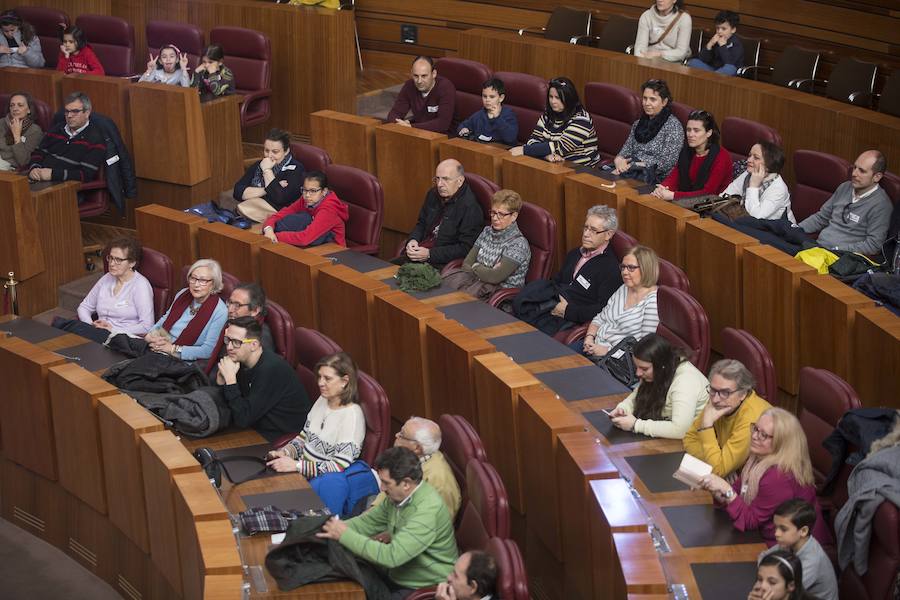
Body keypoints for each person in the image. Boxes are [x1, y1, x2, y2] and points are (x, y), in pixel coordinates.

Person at [316, 447, 458, 596]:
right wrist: (325, 529)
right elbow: (366, 523)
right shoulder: (397, 497)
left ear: (406, 484)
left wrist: (343, 534)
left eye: (386, 483)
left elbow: (391, 557)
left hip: (420, 588)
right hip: (396, 574)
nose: (382, 488)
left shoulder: (427, 511)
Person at [698, 408, 832, 547]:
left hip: (790, 551)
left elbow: (750, 521)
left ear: (781, 443)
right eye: (755, 429)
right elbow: (737, 492)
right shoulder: (757, 460)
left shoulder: (778, 476)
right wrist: (715, 488)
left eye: (763, 435)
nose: (755, 436)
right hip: (762, 535)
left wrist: (726, 490)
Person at [512, 205, 622, 335]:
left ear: (608, 235)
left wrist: (568, 311)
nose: (586, 234)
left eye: (593, 230)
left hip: (570, 319)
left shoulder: (610, 269)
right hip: (550, 305)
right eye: (586, 227)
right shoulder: (575, 253)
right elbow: (557, 281)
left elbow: (603, 309)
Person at [267, 352, 367, 478]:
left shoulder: (352, 416)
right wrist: (286, 452)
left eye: (327, 378)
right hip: (300, 474)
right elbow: (304, 438)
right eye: (319, 377)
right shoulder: (323, 399)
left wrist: (296, 466)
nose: (320, 383)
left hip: (320, 483)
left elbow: (339, 466)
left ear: (344, 381)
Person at [216, 317, 311, 442]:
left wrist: (230, 381)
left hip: (279, 437)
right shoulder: (241, 358)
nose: (229, 347)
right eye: (227, 340)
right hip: (255, 424)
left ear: (254, 345)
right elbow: (236, 403)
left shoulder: (271, 370)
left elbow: (242, 419)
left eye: (236, 342)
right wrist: (222, 378)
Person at [608, 334, 709, 439]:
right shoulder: (661, 369)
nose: (638, 373)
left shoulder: (686, 382)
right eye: (637, 367)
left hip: (700, 440)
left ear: (661, 365)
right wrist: (623, 408)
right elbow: (638, 395)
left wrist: (635, 425)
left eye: (644, 369)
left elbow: (680, 430)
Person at [683, 359, 772, 477]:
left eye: (725, 392)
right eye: (713, 390)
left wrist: (706, 427)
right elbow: (689, 439)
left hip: (762, 481)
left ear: (743, 394)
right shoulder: (720, 402)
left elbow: (718, 470)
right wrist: (717, 459)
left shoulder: (752, 420)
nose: (715, 399)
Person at [573, 245, 660, 358]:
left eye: (631, 268)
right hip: (593, 346)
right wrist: (589, 337)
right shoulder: (624, 288)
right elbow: (600, 318)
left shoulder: (653, 302)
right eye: (623, 267)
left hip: (615, 361)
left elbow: (645, 349)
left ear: (646, 269)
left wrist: (608, 351)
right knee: (555, 361)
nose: (624, 272)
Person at [394, 159, 483, 269]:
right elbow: (421, 223)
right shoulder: (433, 194)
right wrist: (413, 240)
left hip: (439, 263)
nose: (440, 184)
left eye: (446, 179)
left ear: (460, 181)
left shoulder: (470, 208)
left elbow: (465, 248)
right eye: (437, 179)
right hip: (419, 254)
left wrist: (430, 254)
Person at [444, 189, 531, 300]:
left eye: (501, 214)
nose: (495, 218)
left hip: (499, 298)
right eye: (493, 212)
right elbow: (467, 264)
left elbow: (495, 277)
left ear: (514, 216)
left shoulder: (518, 245)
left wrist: (476, 266)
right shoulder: (487, 232)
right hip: (475, 286)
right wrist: (485, 270)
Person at [65, 237, 155, 343]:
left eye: (118, 260)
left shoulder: (141, 285)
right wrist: (90, 325)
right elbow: (84, 307)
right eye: (111, 258)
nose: (112, 264)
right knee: (62, 328)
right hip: (98, 335)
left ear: (132, 263)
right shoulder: (107, 278)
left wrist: (113, 330)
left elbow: (146, 326)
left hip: (123, 340)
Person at [371, 417, 462, 520]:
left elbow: (430, 526)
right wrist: (372, 511)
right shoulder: (412, 458)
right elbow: (387, 493)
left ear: (417, 448)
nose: (396, 435)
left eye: (402, 435)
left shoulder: (439, 481)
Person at [144, 258, 228, 362]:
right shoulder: (183, 294)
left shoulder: (220, 311)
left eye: (202, 281)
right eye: (193, 278)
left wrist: (172, 349)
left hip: (179, 360)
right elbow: (164, 319)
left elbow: (208, 351)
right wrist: (151, 336)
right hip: (159, 347)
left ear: (213, 284)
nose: (196, 284)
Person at [759, 499, 839, 600]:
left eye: (783, 529)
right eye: (776, 527)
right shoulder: (789, 543)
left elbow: (781, 593)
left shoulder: (811, 561)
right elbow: (763, 556)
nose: (776, 533)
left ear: (803, 531)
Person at [511, 77, 599, 167]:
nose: (553, 101)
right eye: (551, 97)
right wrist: (546, 155)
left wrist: (524, 150)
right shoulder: (548, 115)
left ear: (569, 98)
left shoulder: (582, 119)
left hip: (582, 168)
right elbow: (533, 140)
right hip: (554, 164)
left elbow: (560, 147)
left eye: (558, 98)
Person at [612, 79, 684, 184]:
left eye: (652, 99)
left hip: (653, 178)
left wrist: (634, 165)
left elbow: (666, 164)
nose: (647, 103)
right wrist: (618, 161)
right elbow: (625, 151)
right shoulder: (638, 123)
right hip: (630, 169)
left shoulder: (674, 127)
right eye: (645, 98)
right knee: (604, 177)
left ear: (664, 102)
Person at [652, 110, 732, 201]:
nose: (690, 134)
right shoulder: (687, 150)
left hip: (709, 206)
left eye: (696, 131)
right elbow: (676, 174)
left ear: (709, 133)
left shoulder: (722, 157)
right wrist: (662, 188)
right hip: (685, 202)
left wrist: (673, 195)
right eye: (688, 130)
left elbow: (708, 193)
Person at [28, 91, 106, 184]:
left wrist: (53, 174)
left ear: (87, 113)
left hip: (65, 188)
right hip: (39, 179)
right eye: (67, 111)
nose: (69, 116)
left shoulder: (95, 139)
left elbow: (85, 175)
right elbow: (38, 152)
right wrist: (34, 168)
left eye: (75, 111)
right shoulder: (57, 128)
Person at [231, 128, 305, 223]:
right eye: (266, 150)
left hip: (279, 214)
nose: (269, 156)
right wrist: (267, 189)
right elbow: (238, 191)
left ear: (286, 151)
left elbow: (279, 198)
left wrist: (267, 170)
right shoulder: (260, 164)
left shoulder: (296, 168)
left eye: (275, 152)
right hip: (255, 209)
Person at [262, 170, 349, 247]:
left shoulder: (329, 210)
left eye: (313, 191)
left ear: (324, 191)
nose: (307, 195)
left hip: (333, 251)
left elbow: (305, 238)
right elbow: (279, 215)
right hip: (314, 245)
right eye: (305, 190)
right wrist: (268, 230)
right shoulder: (306, 200)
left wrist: (276, 236)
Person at [720, 141, 795, 223]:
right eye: (749, 156)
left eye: (756, 158)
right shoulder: (748, 173)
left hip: (776, 232)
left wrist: (753, 186)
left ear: (769, 164)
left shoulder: (779, 189)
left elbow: (755, 217)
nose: (748, 160)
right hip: (748, 225)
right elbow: (724, 196)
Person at [386, 55, 456, 135]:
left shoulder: (446, 87)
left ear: (434, 74)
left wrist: (411, 127)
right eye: (416, 76)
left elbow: (442, 124)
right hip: (419, 132)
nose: (419, 81)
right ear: (411, 73)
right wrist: (399, 124)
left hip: (445, 137)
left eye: (424, 76)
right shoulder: (409, 86)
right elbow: (395, 113)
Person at [457, 78, 518, 145]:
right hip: (481, 149)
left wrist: (497, 118)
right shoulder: (479, 114)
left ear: (501, 98)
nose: (487, 100)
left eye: (492, 97)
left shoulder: (509, 115)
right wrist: (463, 129)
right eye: (484, 96)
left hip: (501, 151)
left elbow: (510, 138)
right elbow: (463, 125)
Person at [687, 11, 743, 76]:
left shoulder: (736, 45)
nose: (719, 31)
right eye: (717, 28)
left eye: (723, 29)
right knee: (693, 62)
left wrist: (723, 46)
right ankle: (712, 77)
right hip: (714, 70)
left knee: (730, 69)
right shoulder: (716, 40)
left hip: (729, 73)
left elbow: (729, 63)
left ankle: (711, 77)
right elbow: (703, 58)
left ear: (733, 30)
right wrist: (709, 45)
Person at [0, 92, 43, 171]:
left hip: (11, 169)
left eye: (20, 105)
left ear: (29, 110)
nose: (15, 109)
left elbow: (23, 161)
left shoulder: (35, 131)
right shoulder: (2, 123)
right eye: (12, 105)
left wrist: (16, 135)